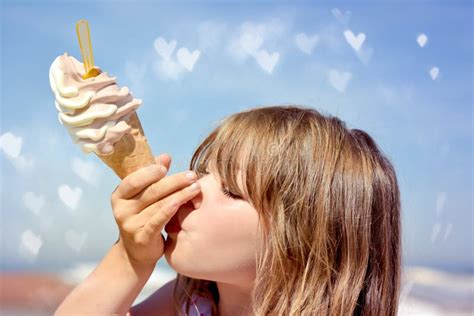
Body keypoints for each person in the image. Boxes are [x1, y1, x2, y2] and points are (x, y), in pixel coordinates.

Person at [54, 104, 402, 316]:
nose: (190, 186)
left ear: (306, 243)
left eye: (232, 191)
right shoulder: (191, 303)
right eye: (203, 172)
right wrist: (130, 259)